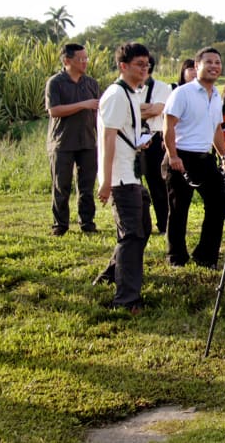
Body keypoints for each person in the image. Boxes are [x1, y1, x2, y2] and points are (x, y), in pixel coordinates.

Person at [93, 43, 153, 314]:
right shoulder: (117, 94)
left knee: (141, 230)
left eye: (147, 64)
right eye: (139, 64)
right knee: (131, 236)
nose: (145, 68)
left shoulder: (131, 94)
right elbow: (107, 139)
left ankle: (108, 276)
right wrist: (106, 181)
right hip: (120, 177)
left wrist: (138, 143)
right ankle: (126, 299)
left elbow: (121, 134)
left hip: (130, 173)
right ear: (123, 66)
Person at [162, 47, 225, 268]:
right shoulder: (182, 93)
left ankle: (206, 256)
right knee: (178, 209)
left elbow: (216, 129)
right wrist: (173, 156)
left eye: (218, 62)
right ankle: (176, 257)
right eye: (209, 62)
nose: (214, 66)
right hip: (180, 157)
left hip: (205, 159)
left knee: (219, 205)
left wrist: (224, 156)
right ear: (197, 66)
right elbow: (168, 126)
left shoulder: (215, 96)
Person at [45, 43, 100, 236]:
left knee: (86, 186)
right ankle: (60, 224)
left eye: (86, 58)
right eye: (81, 59)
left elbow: (96, 113)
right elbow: (54, 111)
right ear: (67, 61)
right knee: (62, 185)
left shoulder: (91, 83)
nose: (85, 62)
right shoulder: (55, 82)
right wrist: (83, 104)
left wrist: (99, 137)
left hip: (87, 142)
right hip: (62, 142)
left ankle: (87, 222)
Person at [139, 55, 172, 235]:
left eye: (146, 65)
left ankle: (163, 224)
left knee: (158, 185)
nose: (144, 68)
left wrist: (134, 109)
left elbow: (156, 110)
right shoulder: (125, 88)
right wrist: (144, 108)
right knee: (134, 184)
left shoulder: (160, 87)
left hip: (154, 138)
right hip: (131, 139)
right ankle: (141, 223)